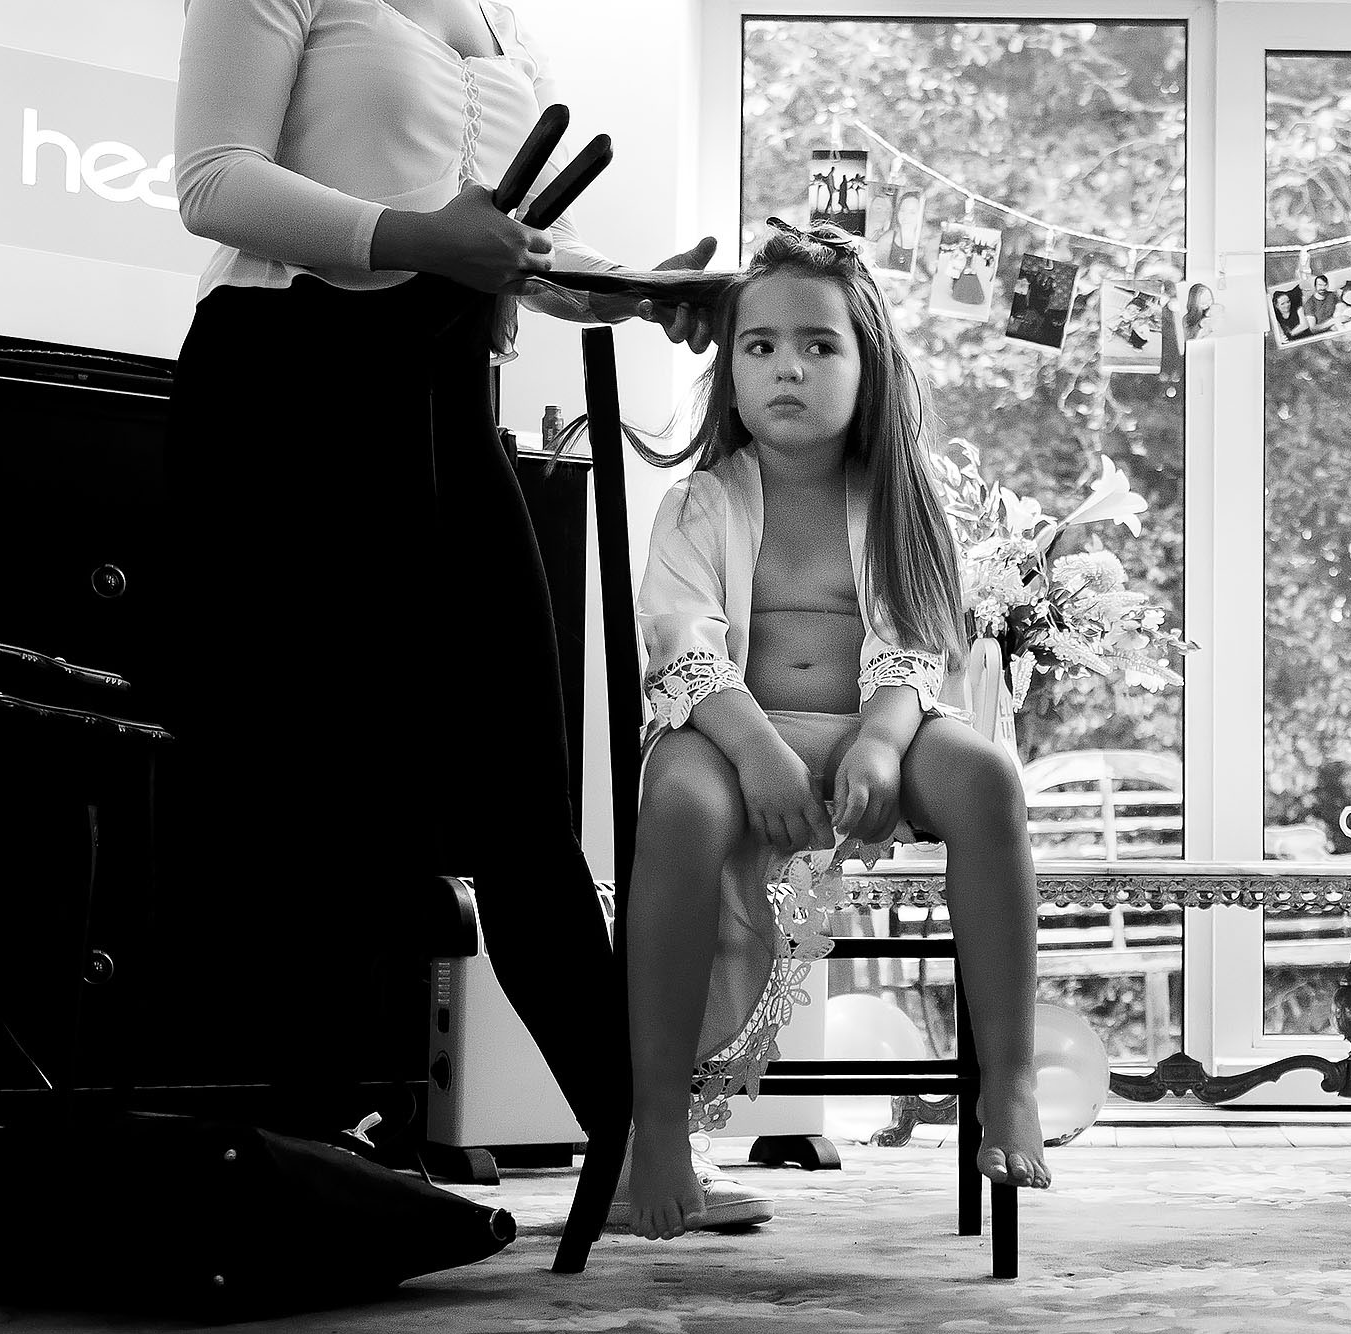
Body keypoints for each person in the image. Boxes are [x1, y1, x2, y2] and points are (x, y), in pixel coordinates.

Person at [162, 0, 765, 1219]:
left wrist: (636, 293)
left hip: (441, 388)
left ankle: (640, 1146)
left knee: (524, 801)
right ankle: (307, 1154)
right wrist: (419, 235)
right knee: (315, 797)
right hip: (288, 379)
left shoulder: (498, 17)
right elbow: (212, 183)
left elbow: (507, 250)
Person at [621, 218, 1051, 1241]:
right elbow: (684, 648)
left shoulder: (900, 503)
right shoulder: (700, 504)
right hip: (727, 728)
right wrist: (758, 747)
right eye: (759, 346)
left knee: (986, 774)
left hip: (869, 726)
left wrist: (878, 740)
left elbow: (914, 649)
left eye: (820, 345)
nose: (787, 367)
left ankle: (1011, 1074)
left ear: (870, 367)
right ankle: (658, 1119)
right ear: (729, 371)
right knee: (677, 803)